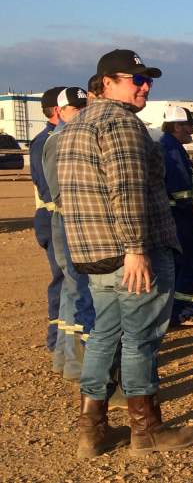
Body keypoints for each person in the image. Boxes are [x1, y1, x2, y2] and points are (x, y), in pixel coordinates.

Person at [58, 49, 193, 458]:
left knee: (105, 334)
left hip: (95, 254)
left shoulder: (76, 125)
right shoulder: (121, 124)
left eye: (147, 79)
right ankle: (146, 429)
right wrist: (136, 250)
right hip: (133, 253)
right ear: (106, 82)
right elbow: (128, 192)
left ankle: (91, 428)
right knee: (141, 340)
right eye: (134, 78)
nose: (144, 85)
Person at [42, 86, 96, 381]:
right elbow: (59, 191)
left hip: (74, 222)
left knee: (71, 290)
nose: (81, 114)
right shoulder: (58, 140)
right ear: (59, 112)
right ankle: (77, 363)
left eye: (84, 107)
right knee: (78, 289)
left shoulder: (76, 137)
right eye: (76, 109)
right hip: (69, 222)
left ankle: (66, 357)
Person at [160, 106, 193, 327]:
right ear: (177, 126)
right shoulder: (171, 150)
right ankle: (183, 313)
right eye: (189, 126)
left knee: (179, 265)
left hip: (178, 217)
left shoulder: (172, 147)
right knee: (189, 263)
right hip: (181, 218)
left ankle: (176, 312)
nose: (192, 131)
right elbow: (181, 190)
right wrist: (189, 213)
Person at [30, 86, 66, 358]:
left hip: (54, 215)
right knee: (63, 280)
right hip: (54, 216)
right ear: (57, 110)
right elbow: (51, 187)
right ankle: (58, 343)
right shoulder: (48, 141)